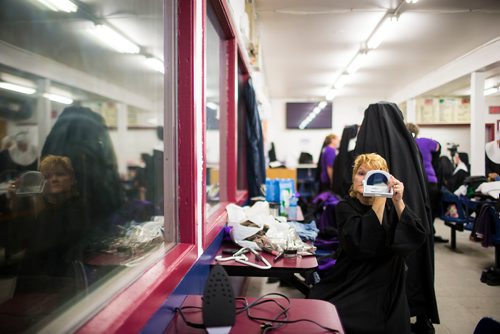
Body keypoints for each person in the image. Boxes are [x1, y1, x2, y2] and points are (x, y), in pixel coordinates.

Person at [308, 153, 426, 334]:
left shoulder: (391, 207)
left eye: (374, 175)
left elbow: (416, 236)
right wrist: (379, 198)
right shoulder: (345, 207)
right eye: (361, 173)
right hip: (354, 279)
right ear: (353, 178)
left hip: (387, 285)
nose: (365, 179)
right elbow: (360, 243)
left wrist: (398, 201)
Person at [352, 102, 439, 333]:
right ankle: (421, 315)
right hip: (411, 213)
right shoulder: (410, 146)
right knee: (415, 266)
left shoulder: (365, 147)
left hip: (378, 220)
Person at [406, 123, 448, 243]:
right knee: (430, 210)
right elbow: (438, 146)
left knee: (416, 209)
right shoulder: (426, 141)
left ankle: (418, 235)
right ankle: (430, 235)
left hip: (415, 183)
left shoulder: (403, 142)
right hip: (431, 182)